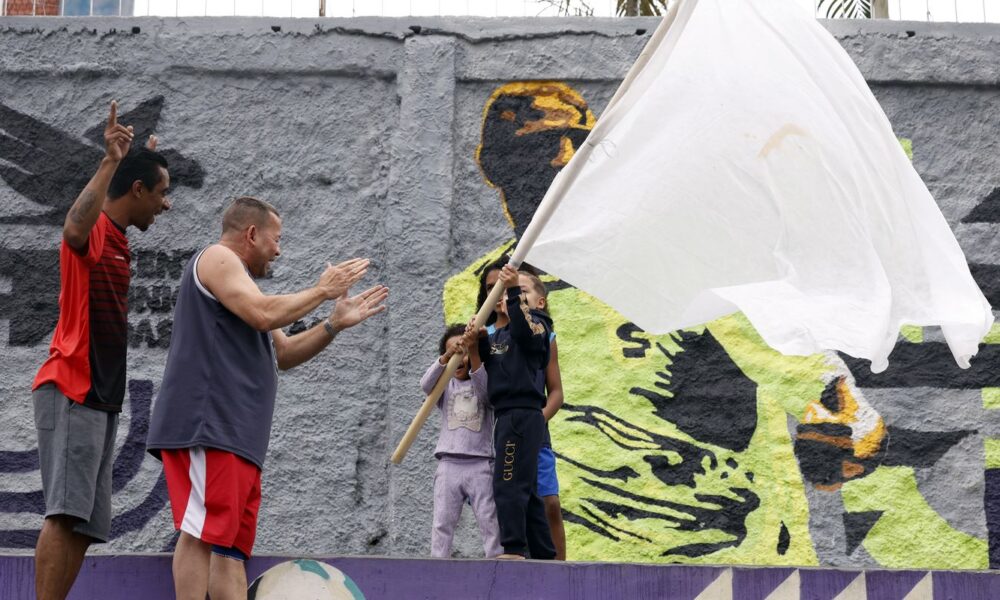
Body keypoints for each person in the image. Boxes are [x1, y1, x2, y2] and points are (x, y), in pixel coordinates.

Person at [145, 196, 388, 600]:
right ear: (252, 234)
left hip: (238, 438)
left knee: (230, 550)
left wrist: (333, 324)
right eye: (276, 240)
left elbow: (285, 352)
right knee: (200, 532)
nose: (279, 250)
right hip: (209, 427)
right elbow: (262, 313)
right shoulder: (218, 259)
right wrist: (322, 290)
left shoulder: (244, 288)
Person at [30, 101, 170, 600]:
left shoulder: (120, 240)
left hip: (101, 396)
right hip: (73, 386)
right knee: (64, 514)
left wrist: (142, 162)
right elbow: (73, 228)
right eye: (161, 193)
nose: (166, 205)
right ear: (137, 191)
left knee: (85, 525)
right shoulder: (95, 233)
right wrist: (113, 161)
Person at [479, 257, 567, 560]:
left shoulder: (538, 326)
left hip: (523, 414)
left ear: (539, 302)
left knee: (508, 483)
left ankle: (514, 548)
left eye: (518, 290)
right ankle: (544, 554)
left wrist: (514, 291)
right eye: (502, 290)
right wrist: (476, 341)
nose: (508, 294)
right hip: (505, 416)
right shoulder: (499, 334)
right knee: (527, 490)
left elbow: (523, 329)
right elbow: (489, 368)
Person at [421, 324, 502, 558]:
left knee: (489, 521)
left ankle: (496, 562)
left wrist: (473, 353)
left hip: (480, 464)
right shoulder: (445, 386)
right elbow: (425, 385)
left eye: (463, 352)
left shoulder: (482, 381)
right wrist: (446, 357)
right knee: (442, 522)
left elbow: (487, 395)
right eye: (454, 352)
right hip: (449, 464)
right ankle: (438, 565)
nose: (460, 358)